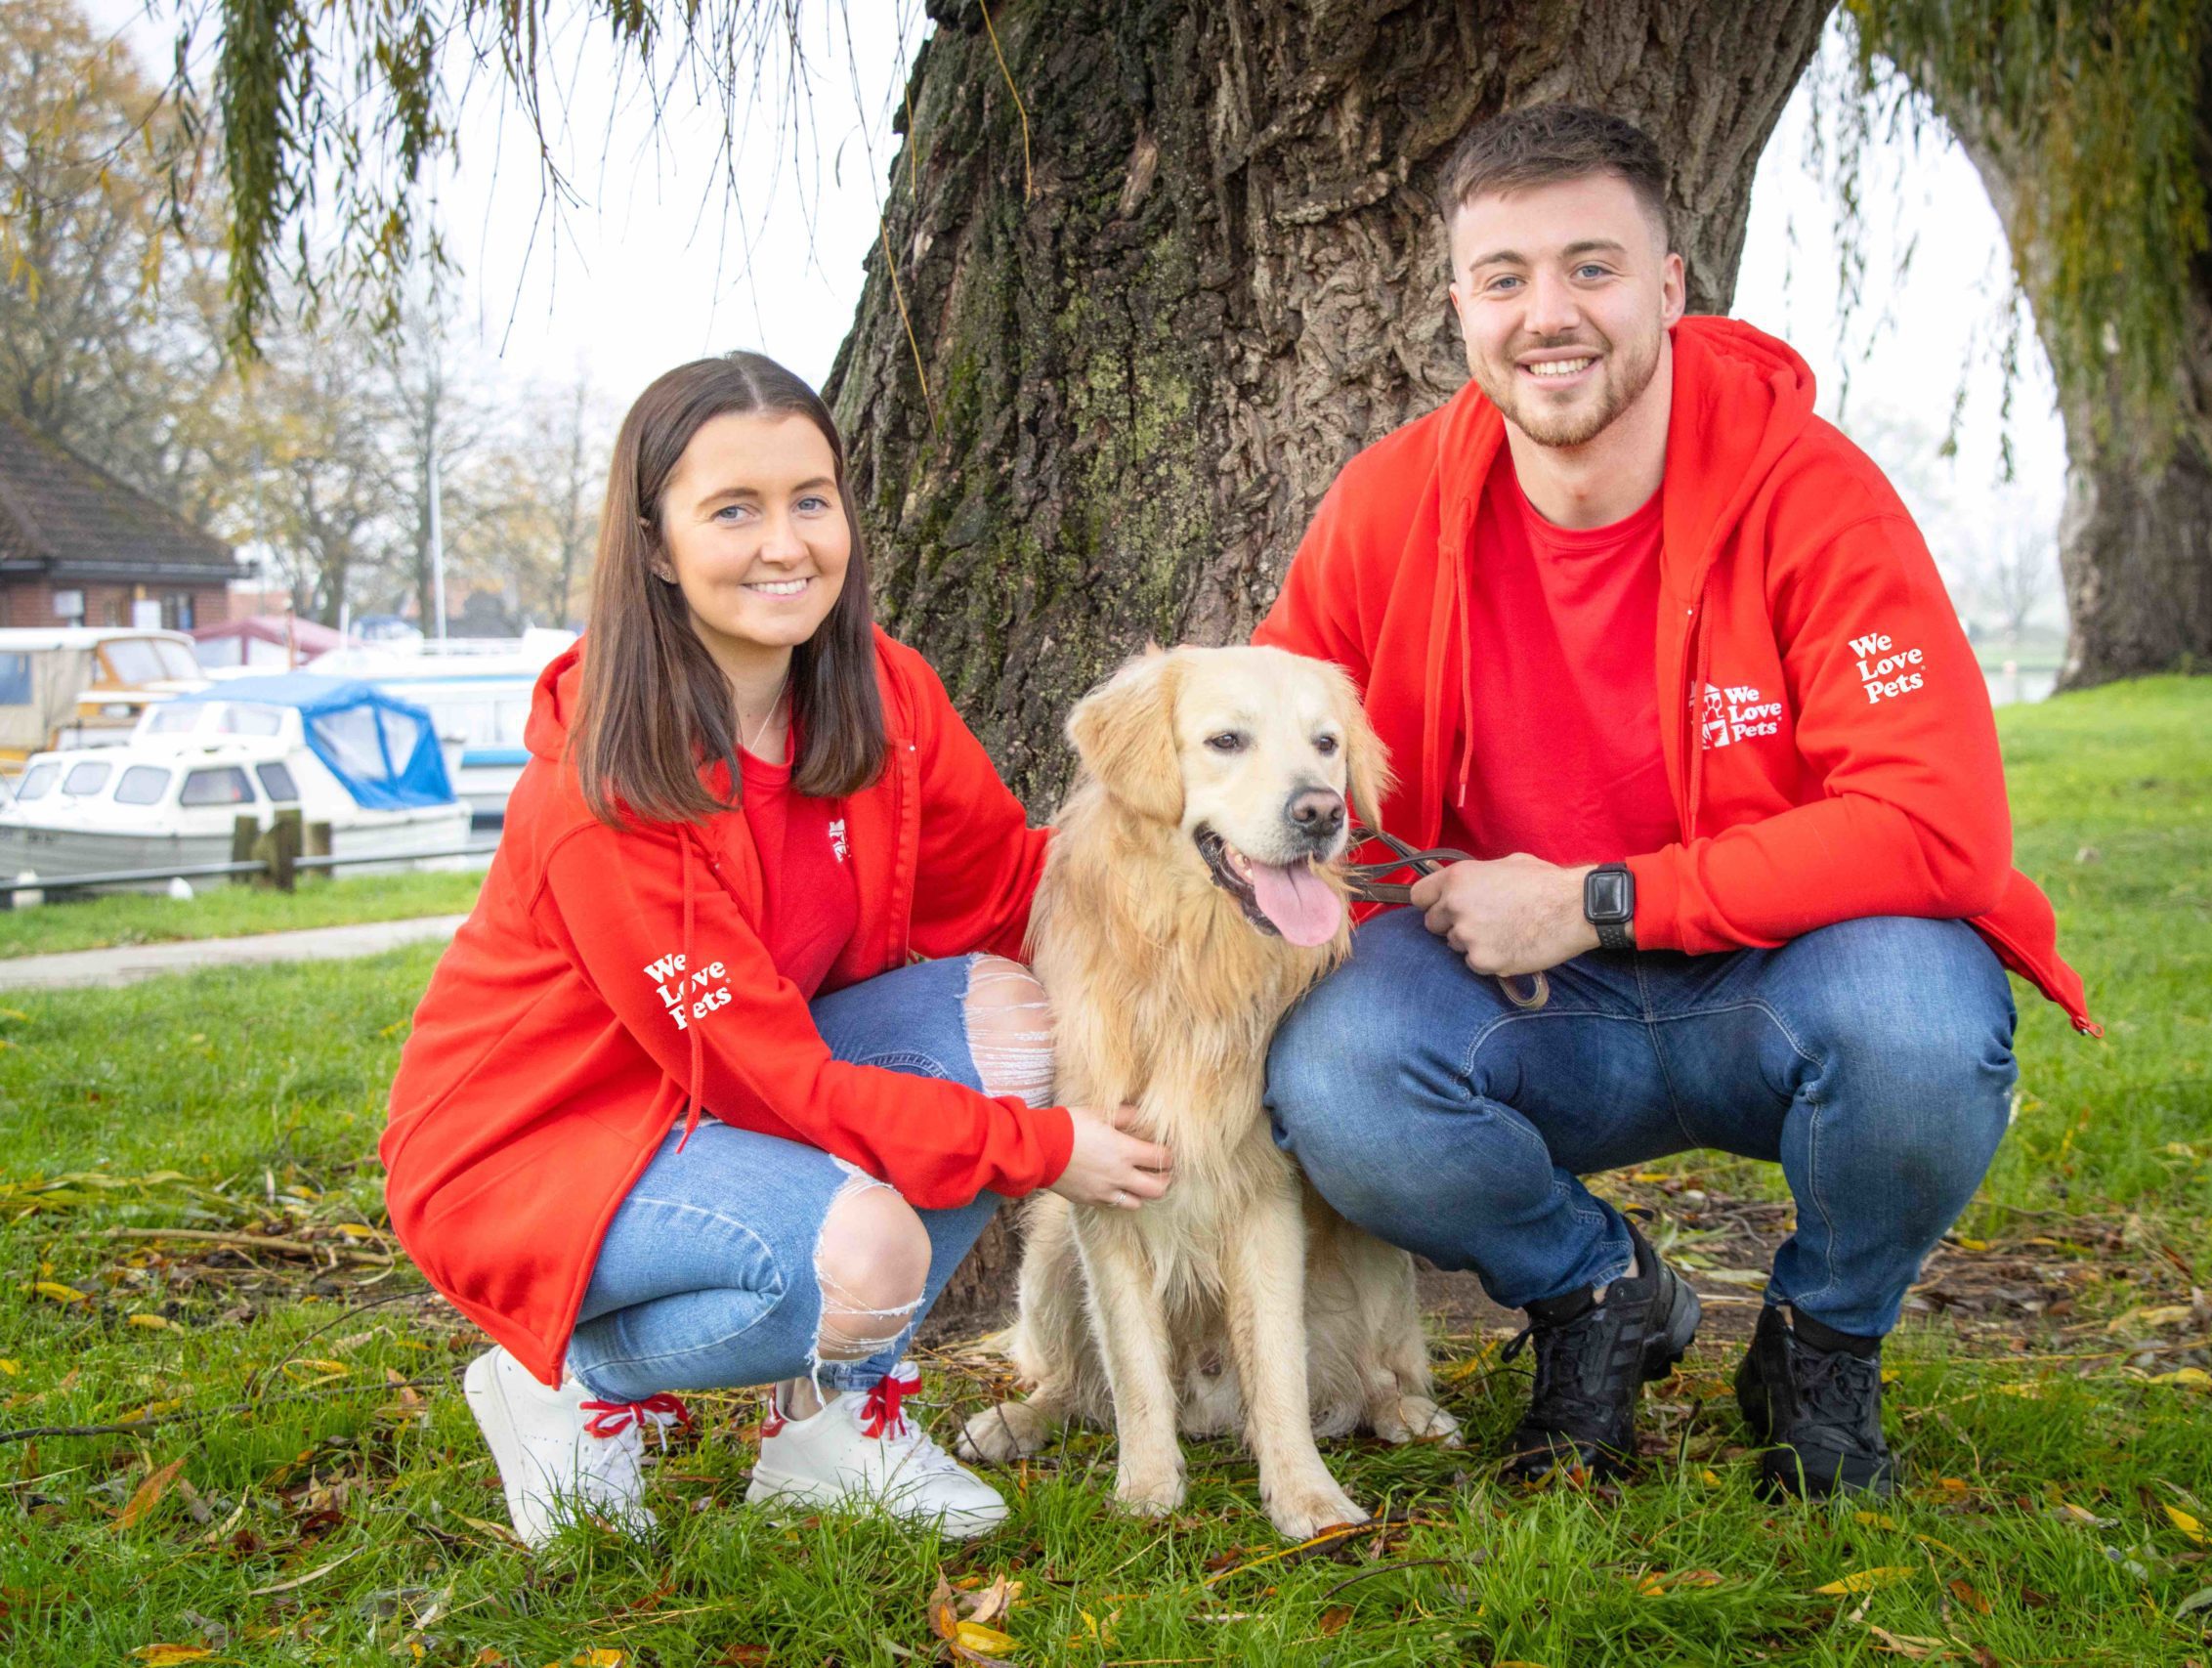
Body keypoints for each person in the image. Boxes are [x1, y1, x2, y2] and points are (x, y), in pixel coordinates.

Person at [1255, 107, 2096, 1500]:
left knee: (1926, 1028)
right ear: (1459, 302)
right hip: (1526, 1007)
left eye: (1592, 266)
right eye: (1504, 276)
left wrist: (1599, 898)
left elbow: (1939, 825)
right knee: (1335, 1069)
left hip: (1781, 975)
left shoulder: (1811, 494)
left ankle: (1823, 1340)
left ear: (1671, 285)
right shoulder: (1389, 503)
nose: (1548, 315)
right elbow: (1277, 757)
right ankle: (1595, 1296)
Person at [381, 353, 1171, 1546]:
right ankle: (565, 1381)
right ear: (656, 546)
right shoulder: (609, 777)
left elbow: (1018, 893)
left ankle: (825, 1430)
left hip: (727, 1090)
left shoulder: (881, 696)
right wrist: (1043, 1147)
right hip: (541, 1143)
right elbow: (773, 1079)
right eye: (732, 510)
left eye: (811, 500)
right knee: (860, 1247)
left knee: (1015, 1017)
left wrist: (1213, 901)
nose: (785, 544)